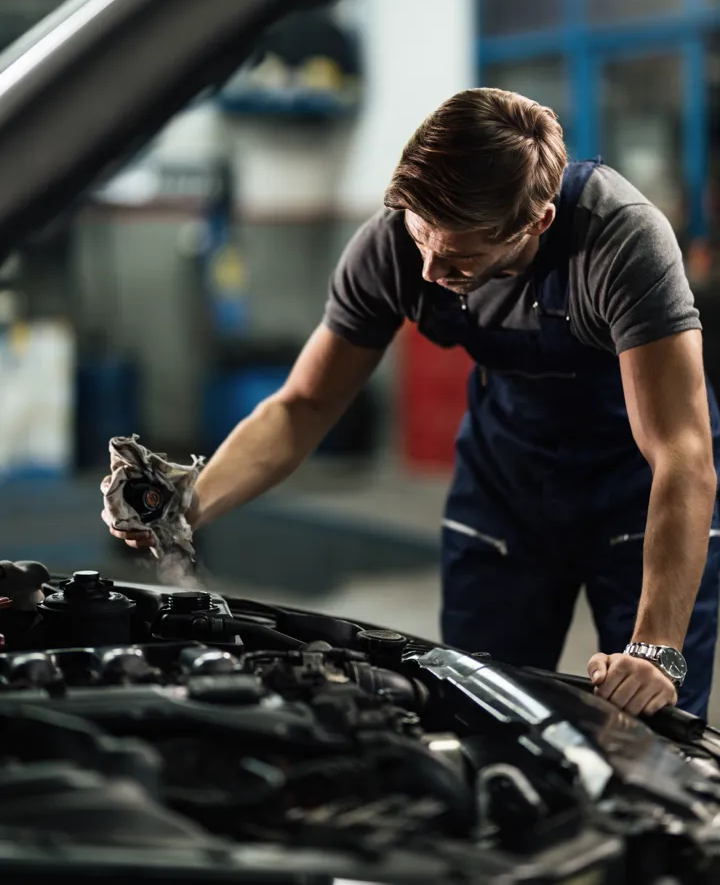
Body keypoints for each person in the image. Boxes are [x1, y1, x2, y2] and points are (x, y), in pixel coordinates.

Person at [110, 88, 720, 720]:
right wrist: (186, 504)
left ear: (534, 223)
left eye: (459, 257)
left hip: (638, 491)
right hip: (505, 487)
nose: (428, 271)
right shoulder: (393, 247)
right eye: (419, 234)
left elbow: (681, 452)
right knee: (477, 707)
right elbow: (304, 405)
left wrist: (655, 650)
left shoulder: (619, 240)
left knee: (650, 726)